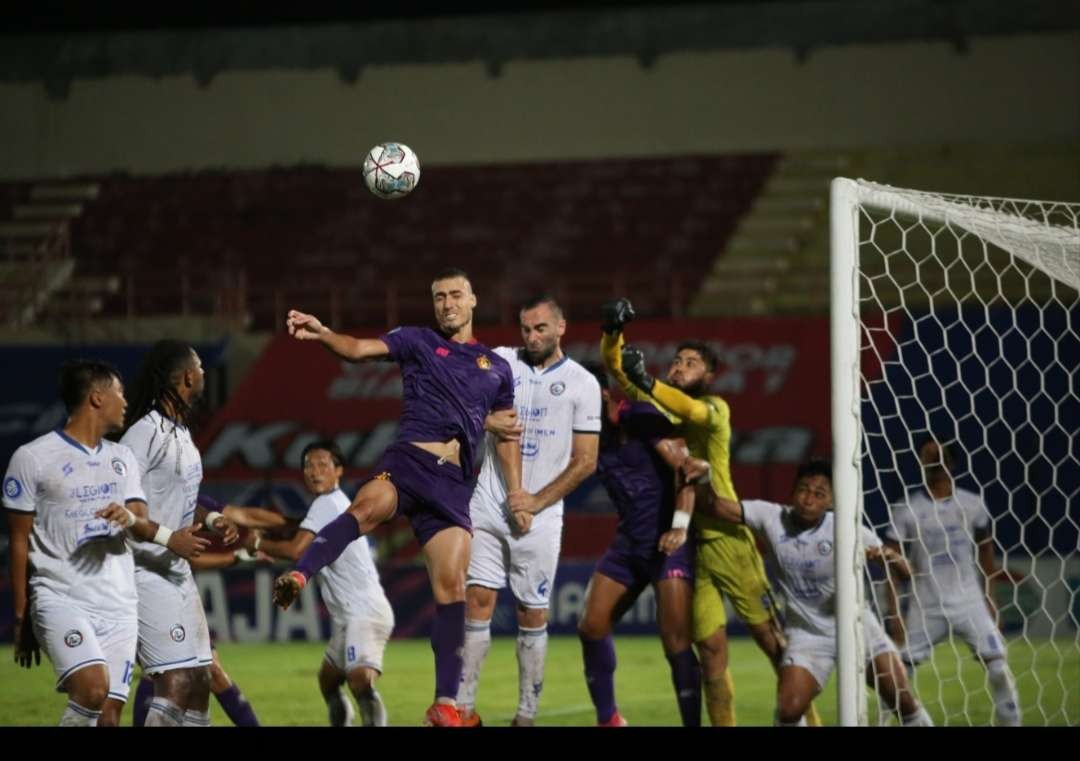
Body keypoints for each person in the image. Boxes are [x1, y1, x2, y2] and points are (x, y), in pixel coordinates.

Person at [271, 268, 520, 727]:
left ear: (473, 300)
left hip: (454, 487)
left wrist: (518, 489)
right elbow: (359, 350)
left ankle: (447, 703)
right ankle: (300, 575)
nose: (447, 303)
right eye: (439, 296)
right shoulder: (416, 340)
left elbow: (508, 432)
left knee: (452, 590)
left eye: (455, 295)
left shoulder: (497, 368)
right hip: (408, 463)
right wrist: (325, 333)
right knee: (363, 509)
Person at [600, 298, 817, 726]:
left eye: (691, 363)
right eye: (677, 361)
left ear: (710, 375)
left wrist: (650, 380)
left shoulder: (716, 409)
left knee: (772, 643)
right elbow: (616, 369)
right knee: (712, 652)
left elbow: (692, 410)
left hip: (730, 543)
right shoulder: (661, 404)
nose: (680, 367)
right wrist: (612, 332)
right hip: (690, 548)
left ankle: (811, 722)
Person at [4, 359, 208, 726]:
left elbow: (138, 520)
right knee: (92, 689)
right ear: (97, 398)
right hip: (61, 596)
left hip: (119, 605)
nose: (126, 402)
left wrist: (158, 533)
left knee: (108, 717)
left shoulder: (122, 457)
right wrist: (22, 617)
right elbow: (19, 541)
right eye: (120, 393)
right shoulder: (33, 458)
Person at [695, 457, 934, 726]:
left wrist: (888, 556)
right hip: (808, 635)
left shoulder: (846, 529)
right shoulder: (771, 517)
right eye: (803, 489)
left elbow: (906, 571)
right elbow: (714, 506)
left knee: (903, 702)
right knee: (788, 710)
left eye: (819, 494)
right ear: (792, 491)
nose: (808, 499)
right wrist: (702, 477)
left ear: (831, 501)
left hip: (858, 627)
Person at [455, 295, 601, 727]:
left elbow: (586, 461)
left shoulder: (582, 383)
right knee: (477, 599)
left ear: (561, 328)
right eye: (525, 329)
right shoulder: (501, 362)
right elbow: (458, 399)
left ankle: (526, 714)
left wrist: (536, 502)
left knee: (531, 612)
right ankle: (461, 709)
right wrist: (484, 421)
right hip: (488, 502)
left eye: (540, 328)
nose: (532, 337)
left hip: (542, 512)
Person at [120, 340, 239, 727]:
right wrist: (169, 539)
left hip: (176, 572)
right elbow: (121, 505)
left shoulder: (181, 432)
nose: (204, 372)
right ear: (187, 376)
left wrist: (211, 520)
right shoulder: (143, 434)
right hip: (145, 571)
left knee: (201, 680)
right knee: (175, 680)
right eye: (200, 366)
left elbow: (180, 502)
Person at [575, 363, 701, 727]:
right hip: (629, 544)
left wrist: (679, 526)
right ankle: (608, 719)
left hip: (668, 543)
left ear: (602, 395)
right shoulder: (589, 437)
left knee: (676, 643)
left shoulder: (640, 415)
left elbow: (686, 469)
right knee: (591, 625)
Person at [883, 437, 1021, 726]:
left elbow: (986, 550)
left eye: (939, 455)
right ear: (920, 462)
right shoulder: (907, 508)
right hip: (926, 604)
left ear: (952, 462)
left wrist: (990, 599)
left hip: (969, 601)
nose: (933, 460)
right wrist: (894, 609)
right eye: (927, 455)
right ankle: (881, 723)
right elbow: (890, 561)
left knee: (998, 666)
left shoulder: (972, 503)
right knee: (897, 671)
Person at [257, 440, 396, 727]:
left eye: (323, 465)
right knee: (328, 681)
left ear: (339, 470)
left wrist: (257, 543)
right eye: (308, 465)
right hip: (351, 615)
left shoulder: (326, 503)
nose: (314, 471)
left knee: (360, 680)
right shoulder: (335, 504)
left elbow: (297, 550)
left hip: (364, 611)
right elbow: (298, 538)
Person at [130, 493, 279, 727]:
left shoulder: (185, 485)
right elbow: (190, 556)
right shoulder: (144, 493)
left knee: (209, 672)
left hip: (179, 591)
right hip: (145, 591)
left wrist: (290, 523)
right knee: (160, 673)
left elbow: (239, 514)